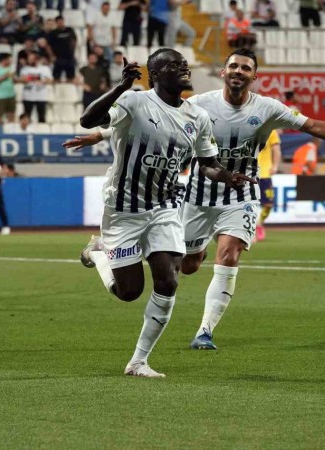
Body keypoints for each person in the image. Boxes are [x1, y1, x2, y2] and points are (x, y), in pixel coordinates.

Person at [67, 49, 325, 352]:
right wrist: (99, 134)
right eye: (233, 66)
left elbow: (313, 125)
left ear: (254, 76)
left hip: (240, 192)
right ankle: (113, 253)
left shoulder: (267, 108)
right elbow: (155, 120)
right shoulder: (198, 104)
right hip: (198, 195)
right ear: (224, 73)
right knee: (187, 266)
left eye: (246, 67)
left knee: (228, 254)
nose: (239, 71)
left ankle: (204, 331)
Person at [73, 49, 250, 378]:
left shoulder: (196, 117)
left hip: (165, 206)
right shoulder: (135, 102)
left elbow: (208, 164)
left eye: (184, 64)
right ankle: (99, 253)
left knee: (169, 280)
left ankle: (138, 361)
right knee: (129, 293)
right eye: (173, 65)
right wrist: (121, 86)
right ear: (153, 75)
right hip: (124, 209)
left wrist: (227, 176)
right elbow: (88, 119)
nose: (183, 68)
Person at [254, 130, 280, 242]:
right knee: (249, 203)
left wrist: (275, 166)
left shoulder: (271, 131)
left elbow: (276, 150)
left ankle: (259, 224)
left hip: (265, 173)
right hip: (250, 173)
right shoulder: (248, 128)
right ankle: (251, 230)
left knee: (268, 204)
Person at [19, 52, 52, 123]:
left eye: (31, 59)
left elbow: (50, 80)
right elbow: (22, 80)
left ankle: (42, 132)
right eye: (29, 59)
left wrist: (43, 81)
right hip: (28, 96)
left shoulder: (45, 69)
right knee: (27, 116)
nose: (29, 61)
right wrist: (26, 79)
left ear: (36, 59)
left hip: (41, 96)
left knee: (42, 117)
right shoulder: (25, 69)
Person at [47, 15, 77, 83]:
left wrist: (73, 52)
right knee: (56, 77)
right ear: (56, 23)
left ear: (63, 21)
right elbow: (48, 46)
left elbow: (74, 41)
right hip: (58, 57)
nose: (60, 22)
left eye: (61, 21)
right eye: (58, 21)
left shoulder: (70, 30)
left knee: (71, 77)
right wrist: (52, 56)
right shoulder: (53, 33)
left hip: (69, 57)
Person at [0, 53, 17, 124]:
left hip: (11, 96)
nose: (11, 61)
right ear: (4, 60)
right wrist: (4, 76)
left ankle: (11, 132)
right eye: (9, 60)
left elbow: (13, 81)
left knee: (11, 116)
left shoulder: (10, 69)